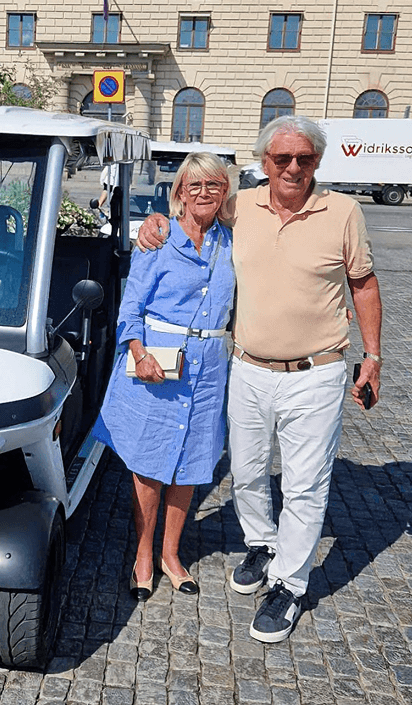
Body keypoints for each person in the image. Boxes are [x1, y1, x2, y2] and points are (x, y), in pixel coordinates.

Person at [136, 115, 382, 642]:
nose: (293, 167)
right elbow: (192, 208)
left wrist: (374, 357)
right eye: (281, 158)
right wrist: (155, 221)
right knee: (246, 472)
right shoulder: (241, 205)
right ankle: (262, 544)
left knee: (304, 484)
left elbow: (363, 283)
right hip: (247, 367)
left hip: (316, 370)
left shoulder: (343, 211)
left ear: (317, 161)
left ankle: (290, 584)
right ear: (264, 162)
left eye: (304, 158)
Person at [92, 152, 235, 601]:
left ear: (225, 192)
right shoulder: (159, 240)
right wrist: (138, 353)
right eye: (195, 185)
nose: (205, 193)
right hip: (157, 365)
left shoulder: (232, 241)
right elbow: (130, 309)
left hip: (208, 369)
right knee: (150, 462)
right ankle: (142, 554)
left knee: (190, 462)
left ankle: (171, 554)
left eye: (214, 185)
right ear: (180, 194)